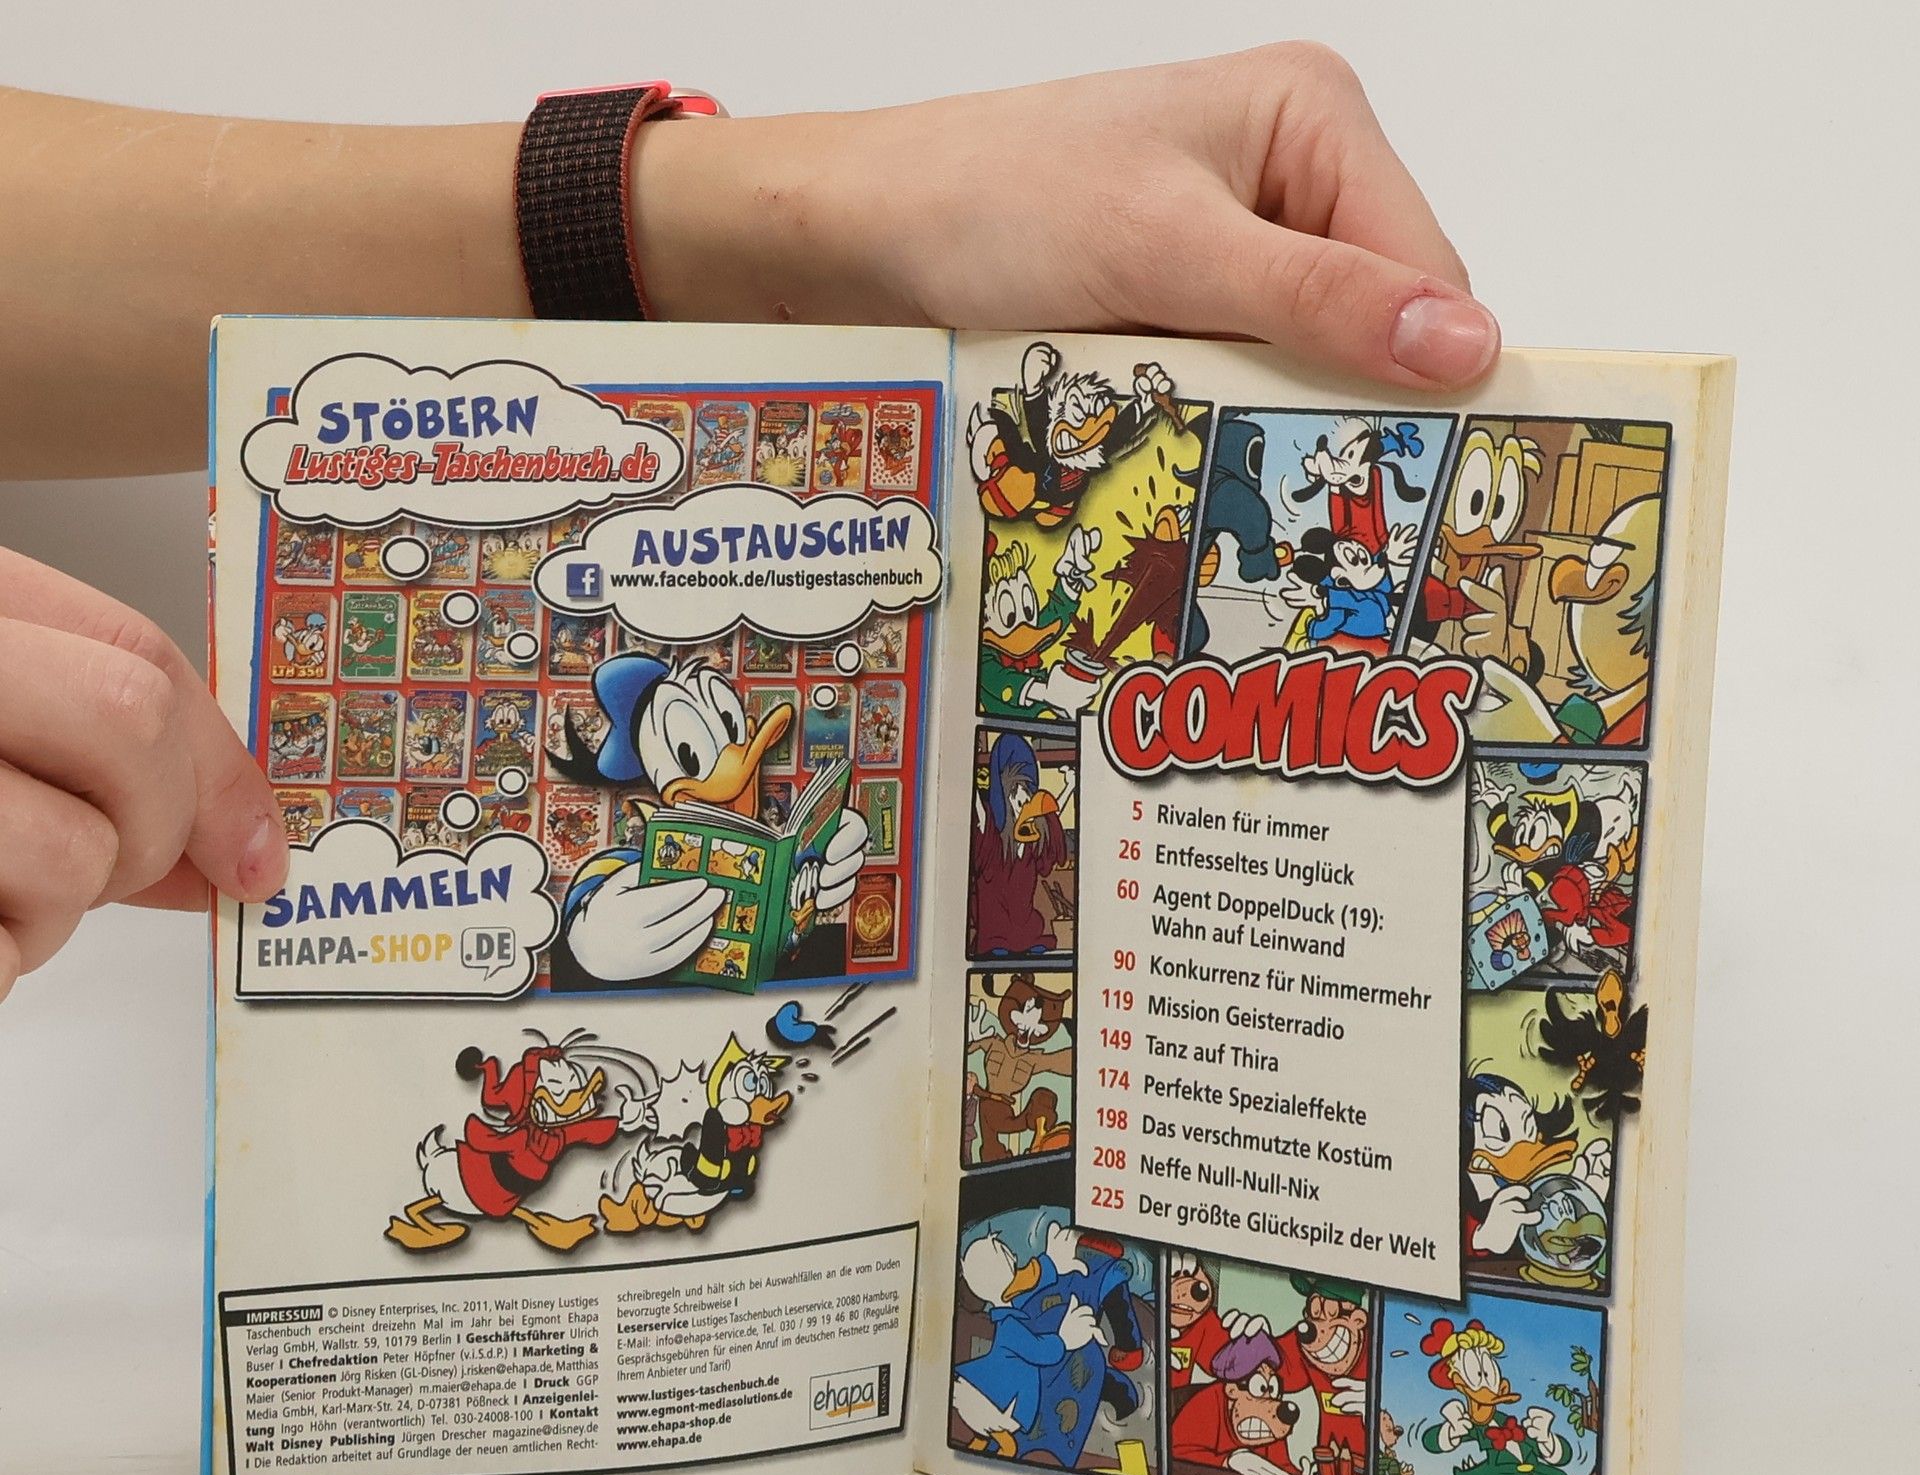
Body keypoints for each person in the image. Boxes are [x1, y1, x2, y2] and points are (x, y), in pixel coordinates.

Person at [0, 46, 1498, 1002]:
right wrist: (588, 940)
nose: (713, 714)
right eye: (678, 719)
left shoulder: (760, 778)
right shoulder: (605, 835)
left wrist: (783, 211)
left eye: (702, 703)